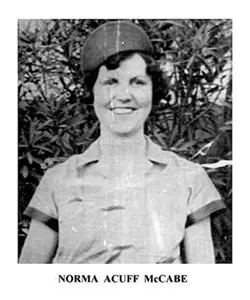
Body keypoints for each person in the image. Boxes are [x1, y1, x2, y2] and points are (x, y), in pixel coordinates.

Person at [19, 20, 225, 264]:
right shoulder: (58, 180)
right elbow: (27, 281)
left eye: (137, 82)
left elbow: (204, 285)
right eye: (110, 82)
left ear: (153, 91)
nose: (123, 95)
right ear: (92, 92)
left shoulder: (189, 178)